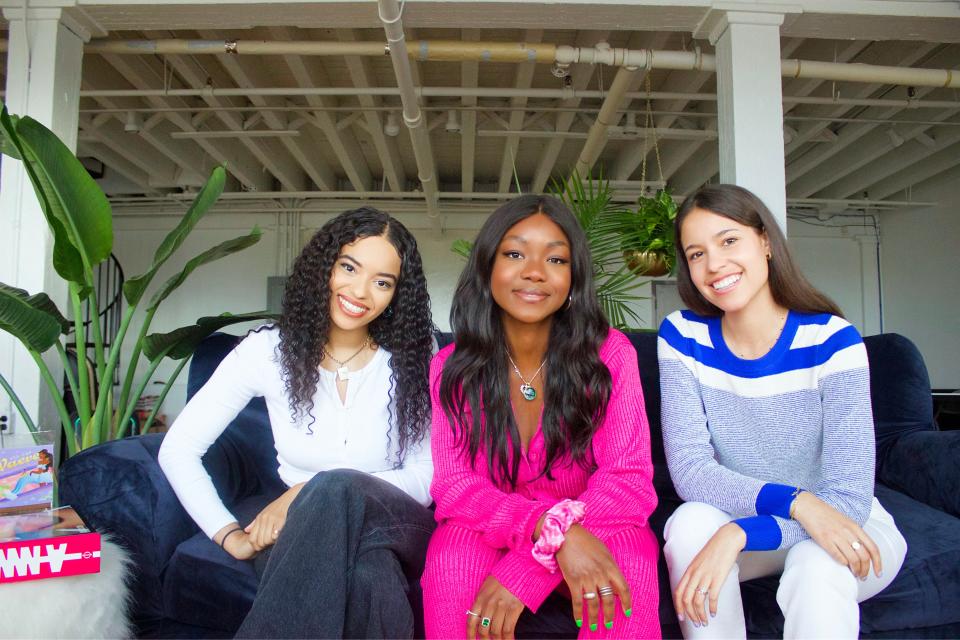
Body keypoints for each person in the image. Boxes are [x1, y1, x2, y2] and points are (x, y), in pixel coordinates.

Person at [158, 207, 437, 638]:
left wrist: (311, 491)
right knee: (368, 578)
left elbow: (426, 474)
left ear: (396, 295)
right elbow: (178, 449)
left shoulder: (415, 360)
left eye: (382, 282)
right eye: (349, 267)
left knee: (334, 485)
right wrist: (227, 533)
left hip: (397, 521)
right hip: (304, 530)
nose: (361, 291)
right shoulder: (267, 352)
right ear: (324, 266)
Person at [658, 184, 907, 638]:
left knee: (815, 564)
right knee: (691, 522)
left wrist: (739, 534)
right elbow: (692, 472)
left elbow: (848, 500)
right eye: (696, 253)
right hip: (762, 518)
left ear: (765, 242)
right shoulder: (682, 337)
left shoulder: (832, 341)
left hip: (845, 525)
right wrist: (795, 503)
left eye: (729, 241)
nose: (714, 265)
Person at [422, 195, 661, 639]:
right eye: (515, 254)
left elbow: (627, 481)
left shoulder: (610, 356)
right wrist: (546, 529)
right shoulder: (451, 367)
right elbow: (455, 488)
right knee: (451, 559)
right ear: (486, 267)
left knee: (631, 561)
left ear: (573, 278)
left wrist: (531, 566)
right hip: (495, 528)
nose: (534, 271)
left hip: (600, 523)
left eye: (555, 258)